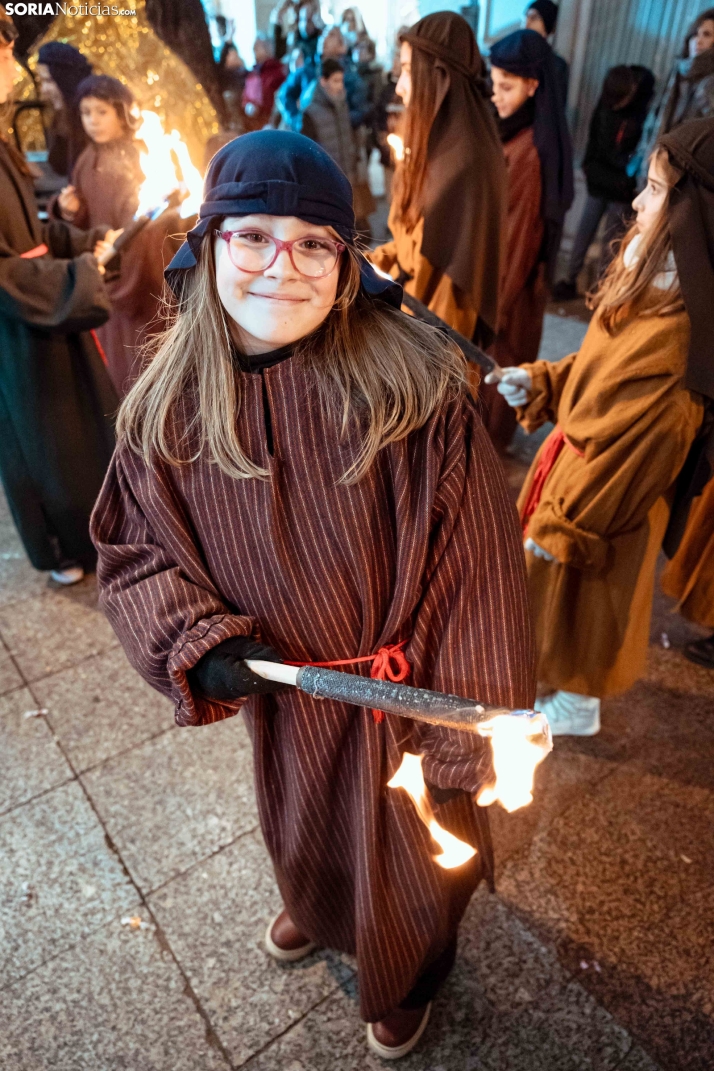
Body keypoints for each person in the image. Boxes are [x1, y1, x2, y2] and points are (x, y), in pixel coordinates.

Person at [91, 130, 534, 1059]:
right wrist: (192, 637)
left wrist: (459, 738)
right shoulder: (166, 404)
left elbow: (480, 571)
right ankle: (320, 910)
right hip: (288, 699)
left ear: (346, 262)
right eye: (252, 236)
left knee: (415, 858)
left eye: (314, 243)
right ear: (209, 245)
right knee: (303, 832)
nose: (279, 267)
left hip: (405, 702)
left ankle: (407, 974)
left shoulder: (413, 397)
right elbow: (132, 548)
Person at [485, 121, 714, 736]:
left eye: (656, 190)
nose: (637, 202)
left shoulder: (685, 339)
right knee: (553, 602)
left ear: (694, 217)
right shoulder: (660, 285)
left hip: (599, 504)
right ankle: (561, 689)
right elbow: (598, 370)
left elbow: (645, 452)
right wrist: (543, 383)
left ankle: (576, 705)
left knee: (581, 608)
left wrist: (570, 521)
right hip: (576, 477)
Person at [0, 8, 117, 586]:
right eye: (3, 52)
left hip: (42, 308)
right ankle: (60, 546)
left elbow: (29, 232)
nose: (14, 65)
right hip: (16, 324)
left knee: (72, 433)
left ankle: (88, 536)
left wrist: (86, 243)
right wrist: (76, 274)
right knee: (39, 439)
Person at [370, 11, 506, 367]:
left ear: (439, 78)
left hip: (432, 353)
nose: (399, 86)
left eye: (407, 71)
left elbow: (449, 299)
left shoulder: (463, 163)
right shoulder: (437, 147)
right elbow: (408, 248)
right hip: (412, 332)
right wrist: (365, 264)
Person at [50, 75, 175, 398]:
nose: (92, 121)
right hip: (105, 279)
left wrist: (123, 283)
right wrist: (69, 211)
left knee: (143, 367)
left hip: (136, 283)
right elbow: (84, 224)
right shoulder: (86, 160)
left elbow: (145, 229)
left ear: (121, 112)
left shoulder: (137, 160)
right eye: (86, 113)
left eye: (101, 112)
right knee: (114, 371)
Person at [481, 28, 573, 452]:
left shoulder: (529, 153)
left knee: (504, 370)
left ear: (533, 86)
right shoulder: (518, 134)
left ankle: (492, 451)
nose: (495, 95)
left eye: (507, 86)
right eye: (494, 83)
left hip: (511, 289)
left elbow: (518, 241)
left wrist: (492, 308)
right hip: (510, 283)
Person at [553, 65, 654, 302]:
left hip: (620, 187)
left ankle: (599, 290)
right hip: (601, 180)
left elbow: (635, 152)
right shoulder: (610, 102)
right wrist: (590, 167)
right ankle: (572, 280)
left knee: (611, 239)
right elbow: (595, 140)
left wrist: (627, 178)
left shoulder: (640, 113)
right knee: (586, 232)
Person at [36, 41, 92, 178]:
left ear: (65, 79)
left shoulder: (90, 117)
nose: (43, 90)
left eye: (49, 81)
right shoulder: (61, 116)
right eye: (41, 82)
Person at [656, 8, 714, 137]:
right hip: (658, 151)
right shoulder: (677, 73)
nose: (698, 41)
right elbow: (655, 120)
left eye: (706, 35)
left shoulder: (710, 83)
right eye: (695, 34)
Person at [523, 0, 568, 105]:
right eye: (526, 17)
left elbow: (556, 106)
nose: (527, 23)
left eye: (534, 18)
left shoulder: (557, 65)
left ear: (546, 23)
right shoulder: (513, 56)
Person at [242, 35, 286, 132]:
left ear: (268, 48)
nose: (254, 49)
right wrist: (248, 105)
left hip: (274, 125)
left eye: (257, 46)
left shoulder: (278, 71)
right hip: (253, 124)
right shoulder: (252, 74)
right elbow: (246, 95)